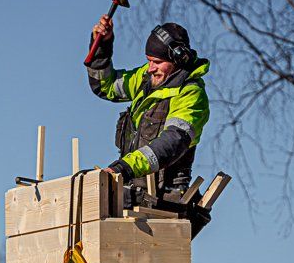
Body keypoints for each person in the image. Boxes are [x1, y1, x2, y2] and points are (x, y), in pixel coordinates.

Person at [86, 15, 210, 207]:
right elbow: (105, 86)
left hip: (165, 199)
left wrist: (123, 168)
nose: (151, 68)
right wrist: (102, 45)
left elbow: (171, 143)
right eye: (149, 61)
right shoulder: (146, 79)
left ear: (178, 58)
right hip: (135, 191)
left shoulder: (191, 94)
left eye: (157, 62)